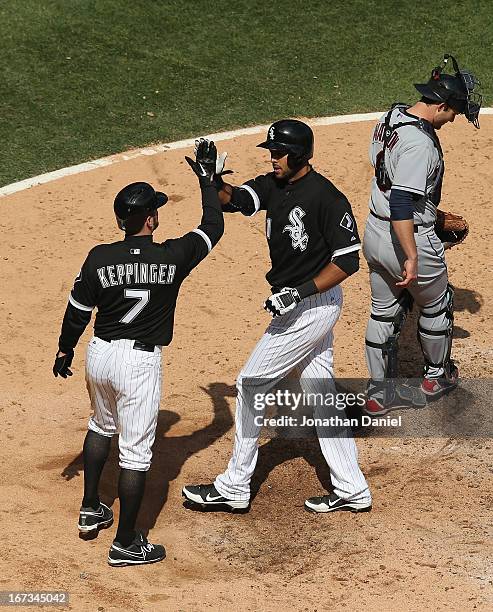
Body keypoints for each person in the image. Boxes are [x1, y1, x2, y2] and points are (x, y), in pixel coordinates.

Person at [182, 119, 372, 514]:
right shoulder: (274, 184)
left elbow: (349, 262)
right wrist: (208, 178)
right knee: (321, 395)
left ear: (299, 154)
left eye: (278, 152)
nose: (272, 158)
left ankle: (234, 486)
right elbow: (230, 199)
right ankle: (352, 489)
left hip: (311, 305)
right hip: (298, 302)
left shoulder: (327, 198)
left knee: (250, 384)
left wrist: (297, 293)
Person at [53, 140, 224, 565]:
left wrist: (64, 352)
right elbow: (212, 227)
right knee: (135, 455)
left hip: (99, 355)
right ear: (151, 218)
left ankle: (91, 506)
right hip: (138, 364)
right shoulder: (173, 255)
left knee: (100, 425)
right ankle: (127, 542)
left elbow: (76, 312)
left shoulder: (98, 257)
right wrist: (207, 180)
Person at [362, 54, 482, 415]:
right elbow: (401, 202)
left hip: (373, 231)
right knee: (436, 303)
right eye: (454, 113)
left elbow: (386, 177)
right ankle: (436, 378)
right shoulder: (422, 146)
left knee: (382, 312)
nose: (453, 119)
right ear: (442, 105)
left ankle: (377, 393)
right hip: (405, 235)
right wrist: (413, 253)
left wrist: (428, 210)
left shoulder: (392, 115)